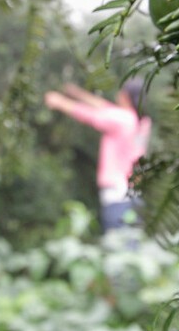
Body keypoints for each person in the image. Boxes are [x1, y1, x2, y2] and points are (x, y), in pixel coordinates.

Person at [44, 78, 151, 231]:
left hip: (118, 195)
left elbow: (91, 115)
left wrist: (59, 102)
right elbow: (105, 108)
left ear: (126, 96)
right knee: (130, 247)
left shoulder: (122, 120)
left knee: (118, 245)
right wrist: (77, 93)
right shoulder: (142, 122)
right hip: (133, 194)